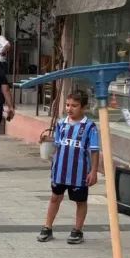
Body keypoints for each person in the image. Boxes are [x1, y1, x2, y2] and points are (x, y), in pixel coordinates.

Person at [38, 89, 100, 245]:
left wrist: (93, 171)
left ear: (83, 108)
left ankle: (77, 230)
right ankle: (47, 227)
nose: (69, 108)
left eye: (74, 105)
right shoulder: (61, 124)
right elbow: (59, 144)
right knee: (54, 198)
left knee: (80, 202)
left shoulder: (90, 127)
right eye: (67, 105)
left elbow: (94, 150)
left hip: (79, 173)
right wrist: (48, 140)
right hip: (60, 171)